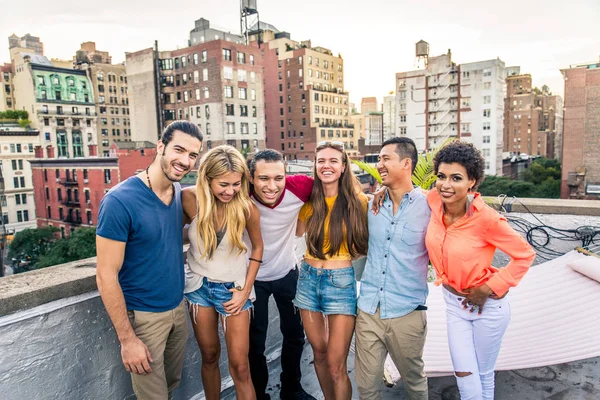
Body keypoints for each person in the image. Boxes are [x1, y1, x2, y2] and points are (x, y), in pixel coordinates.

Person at [96, 121, 203, 400]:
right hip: (143, 319)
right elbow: (105, 274)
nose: (185, 161)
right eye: (178, 150)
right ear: (160, 147)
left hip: (177, 309)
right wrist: (127, 339)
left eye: (193, 155)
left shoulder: (179, 194)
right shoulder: (119, 201)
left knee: (169, 387)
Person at [425, 141, 535, 400]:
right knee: (465, 375)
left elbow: (525, 255)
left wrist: (490, 288)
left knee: (483, 375)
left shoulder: (487, 219)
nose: (446, 185)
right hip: (453, 304)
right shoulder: (432, 201)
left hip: (488, 309)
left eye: (456, 178)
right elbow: (405, 195)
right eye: (441, 176)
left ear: (472, 182)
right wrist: (383, 193)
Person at [182, 145, 264, 400]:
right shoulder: (188, 199)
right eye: (223, 184)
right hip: (198, 288)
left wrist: (245, 290)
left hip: (233, 290)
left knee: (240, 366)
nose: (231, 191)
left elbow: (258, 247)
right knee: (209, 356)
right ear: (207, 179)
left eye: (236, 184)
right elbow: (167, 233)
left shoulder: (246, 207)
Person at [355, 137, 429, 400]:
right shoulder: (371, 206)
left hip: (407, 312)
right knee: (366, 388)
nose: (380, 164)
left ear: (406, 163)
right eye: (379, 159)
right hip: (368, 311)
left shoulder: (430, 206)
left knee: (414, 383)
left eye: (386, 159)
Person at [294, 141, 369, 400]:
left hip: (340, 282)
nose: (326, 165)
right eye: (321, 161)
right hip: (307, 279)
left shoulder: (358, 201)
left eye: (333, 161)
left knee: (337, 365)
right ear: (315, 166)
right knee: (319, 354)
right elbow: (295, 236)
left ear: (343, 166)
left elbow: (366, 243)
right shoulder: (307, 201)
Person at [247, 149, 317, 400]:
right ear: (251, 178)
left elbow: (335, 187)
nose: (272, 186)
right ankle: (258, 394)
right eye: (264, 178)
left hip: (287, 271)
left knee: (296, 335)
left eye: (279, 178)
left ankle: (292, 388)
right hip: (251, 278)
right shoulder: (240, 194)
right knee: (255, 344)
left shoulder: (299, 187)